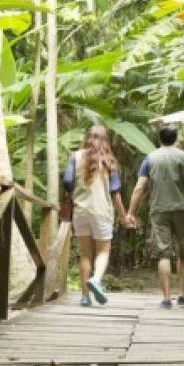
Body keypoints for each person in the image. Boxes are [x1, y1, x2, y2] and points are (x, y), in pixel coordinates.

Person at [126, 126, 184, 308]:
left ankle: (167, 299)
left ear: (160, 138)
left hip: (159, 210)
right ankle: (182, 294)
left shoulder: (150, 159)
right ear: (175, 138)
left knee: (164, 253)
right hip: (183, 209)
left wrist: (131, 212)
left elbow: (139, 187)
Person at [63, 125, 127, 306]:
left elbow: (67, 182)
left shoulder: (75, 157)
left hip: (81, 211)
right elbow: (115, 193)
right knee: (103, 251)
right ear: (105, 140)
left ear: (87, 138)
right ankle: (96, 280)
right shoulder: (109, 161)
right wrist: (123, 216)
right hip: (102, 212)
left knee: (85, 255)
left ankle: (84, 297)